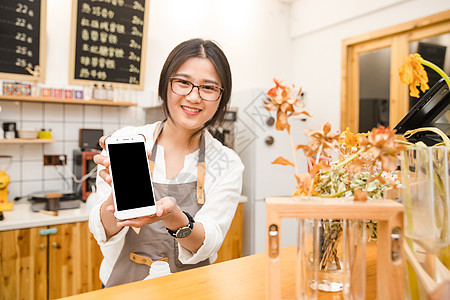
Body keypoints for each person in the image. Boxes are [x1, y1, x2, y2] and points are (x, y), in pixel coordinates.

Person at [89, 38, 244, 287]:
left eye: (208, 88)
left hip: (192, 291)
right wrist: (115, 201)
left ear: (221, 98)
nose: (194, 97)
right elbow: (101, 232)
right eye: (183, 82)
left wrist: (174, 217)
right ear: (166, 85)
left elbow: (211, 241)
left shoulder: (227, 162)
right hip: (122, 291)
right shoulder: (126, 142)